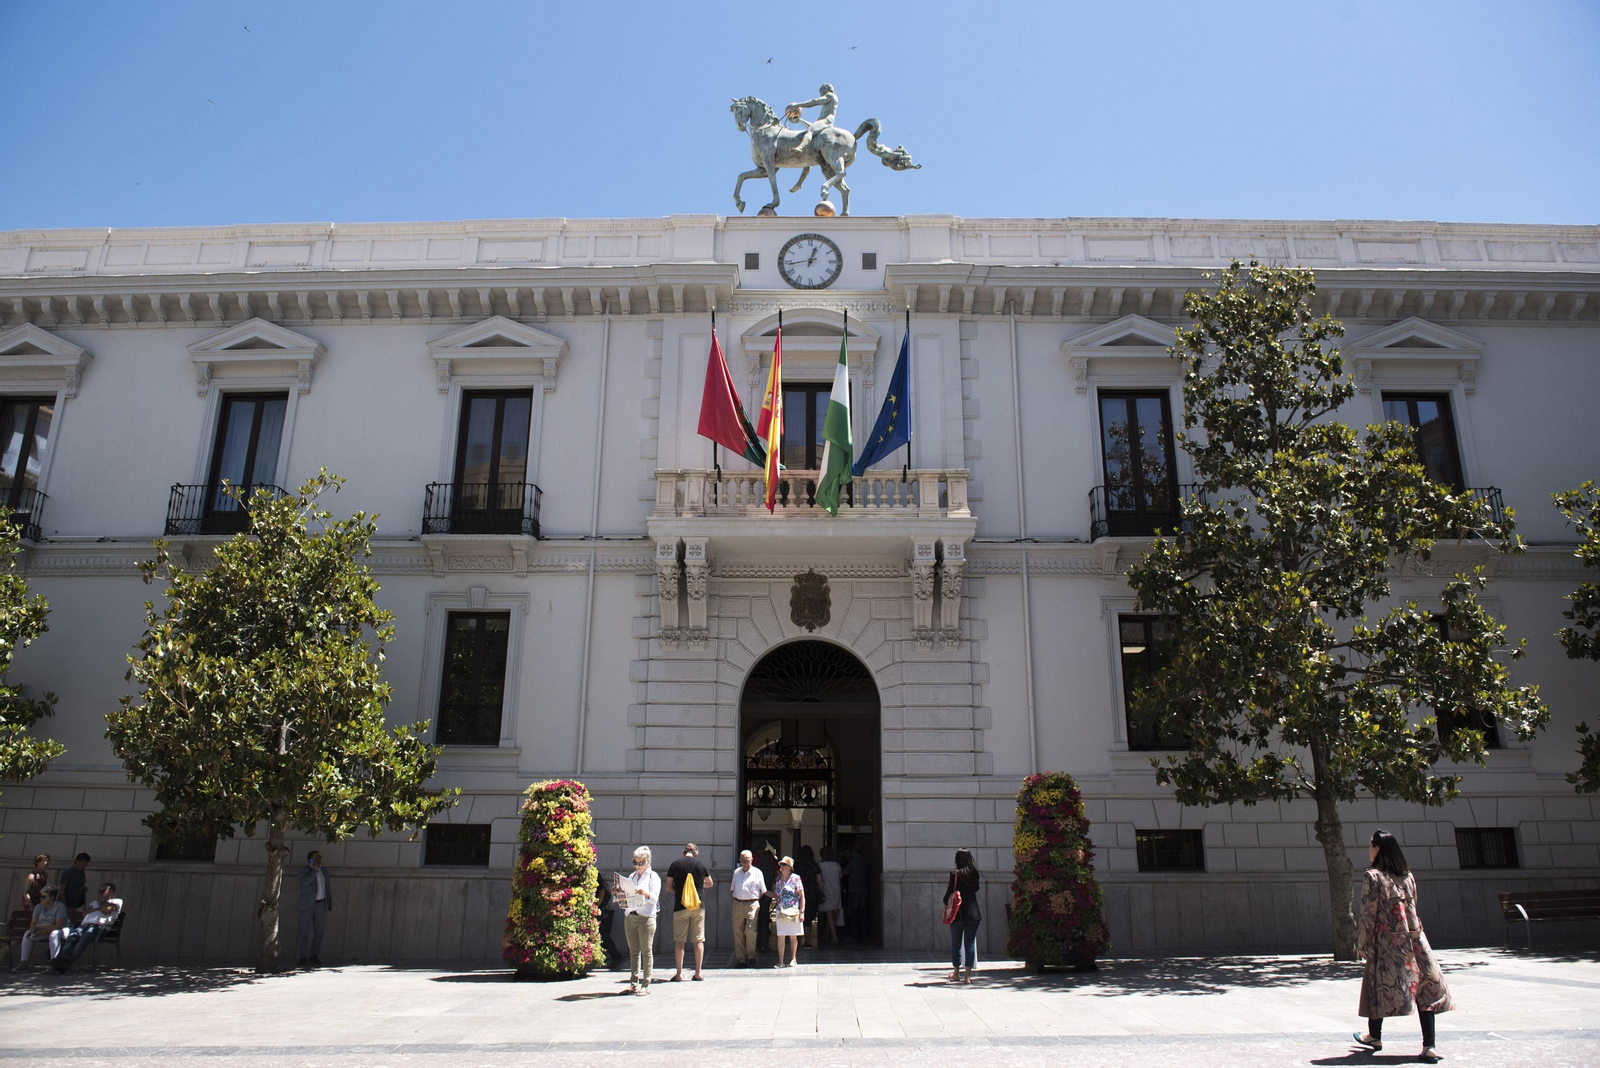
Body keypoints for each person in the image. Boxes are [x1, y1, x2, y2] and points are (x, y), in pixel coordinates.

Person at [1353, 830, 1453, 1063]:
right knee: (1424, 991)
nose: (1368, 849)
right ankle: (1429, 1046)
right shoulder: (1407, 876)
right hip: (1415, 940)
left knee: (1378, 986)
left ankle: (1375, 1036)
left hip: (1387, 944)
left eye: (1370, 845)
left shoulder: (1373, 877)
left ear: (1377, 849)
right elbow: (1413, 908)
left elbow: (1368, 914)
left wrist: (1362, 943)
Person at [665, 842, 713, 981]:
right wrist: (698, 887)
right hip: (698, 906)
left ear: (684, 852)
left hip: (680, 907)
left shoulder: (675, 864)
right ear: (696, 853)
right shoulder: (701, 864)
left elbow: (668, 887)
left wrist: (680, 890)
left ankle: (679, 974)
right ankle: (698, 973)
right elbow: (710, 883)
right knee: (698, 940)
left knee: (680, 941)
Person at [51, 882, 122, 973]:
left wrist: (101, 903)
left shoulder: (117, 901)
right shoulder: (95, 902)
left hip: (99, 927)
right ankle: (63, 960)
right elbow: (84, 913)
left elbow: (107, 909)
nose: (100, 893)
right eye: (99, 891)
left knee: (83, 940)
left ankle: (66, 963)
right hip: (84, 925)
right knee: (72, 936)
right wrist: (98, 908)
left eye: (103, 891)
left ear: (111, 892)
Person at [618, 845, 660, 994]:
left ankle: (646, 984)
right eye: (635, 863)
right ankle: (633, 983)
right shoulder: (632, 877)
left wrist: (645, 893)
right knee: (633, 951)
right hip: (631, 915)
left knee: (646, 950)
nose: (637, 866)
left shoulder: (653, 877)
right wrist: (618, 893)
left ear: (647, 862)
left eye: (640, 863)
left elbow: (655, 898)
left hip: (646, 917)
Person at [943, 848, 982, 984]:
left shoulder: (955, 874)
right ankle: (968, 977)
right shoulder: (974, 873)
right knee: (970, 943)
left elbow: (948, 894)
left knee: (956, 943)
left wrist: (946, 904)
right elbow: (976, 888)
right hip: (973, 914)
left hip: (958, 914)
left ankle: (956, 973)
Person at [12, 885, 68, 970]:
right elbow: (33, 923)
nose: (41, 898)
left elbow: (58, 925)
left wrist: (42, 932)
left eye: (44, 896)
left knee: (54, 934)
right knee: (28, 933)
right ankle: (23, 962)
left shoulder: (60, 907)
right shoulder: (39, 907)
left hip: (62, 929)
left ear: (52, 897)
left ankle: (54, 963)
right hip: (43, 929)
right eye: (40, 896)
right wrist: (32, 931)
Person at [729, 849, 766, 968]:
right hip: (737, 904)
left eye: (748, 861)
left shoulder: (757, 872)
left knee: (750, 930)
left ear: (752, 860)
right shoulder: (736, 872)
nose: (745, 863)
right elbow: (732, 888)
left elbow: (763, 891)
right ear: (740, 860)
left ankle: (751, 956)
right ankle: (741, 959)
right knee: (738, 932)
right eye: (743, 861)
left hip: (752, 904)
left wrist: (754, 900)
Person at [296, 849, 332, 969]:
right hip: (307, 905)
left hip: (320, 904)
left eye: (319, 857)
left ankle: (314, 954)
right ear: (310, 859)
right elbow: (305, 883)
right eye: (316, 857)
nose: (318, 859)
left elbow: (327, 886)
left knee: (320, 931)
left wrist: (329, 901)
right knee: (304, 932)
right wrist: (314, 870)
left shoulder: (324, 871)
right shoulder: (305, 870)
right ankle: (303, 956)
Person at [772, 855, 806, 968]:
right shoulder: (778, 879)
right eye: (781, 865)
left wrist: (802, 911)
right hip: (781, 910)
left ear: (790, 867)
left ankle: (793, 959)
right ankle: (781, 961)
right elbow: (776, 895)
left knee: (793, 935)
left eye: (784, 865)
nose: (781, 867)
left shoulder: (796, 878)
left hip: (793, 910)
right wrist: (763, 892)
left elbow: (802, 896)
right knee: (780, 935)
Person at [596, 872, 624, 970]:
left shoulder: (595, 874)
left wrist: (595, 906)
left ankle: (616, 956)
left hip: (596, 910)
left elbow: (602, 891)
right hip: (595, 909)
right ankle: (615, 956)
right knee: (601, 934)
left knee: (602, 935)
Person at [754, 842, 779, 953]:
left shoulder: (754, 857)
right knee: (764, 917)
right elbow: (777, 873)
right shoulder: (770, 858)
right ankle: (764, 944)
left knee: (754, 918)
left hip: (755, 892)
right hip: (767, 891)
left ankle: (755, 944)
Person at [796, 846, 822, 949]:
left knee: (800, 916)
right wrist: (822, 891)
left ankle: (799, 940)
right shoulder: (814, 865)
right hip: (812, 892)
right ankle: (808, 940)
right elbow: (819, 879)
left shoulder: (797, 865)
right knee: (809, 919)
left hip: (800, 892)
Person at [843, 846, 869, 942]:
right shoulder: (864, 861)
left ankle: (854, 935)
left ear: (854, 851)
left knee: (853, 912)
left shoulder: (854, 861)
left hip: (854, 890)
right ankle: (863, 934)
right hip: (863, 890)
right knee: (862, 912)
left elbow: (844, 872)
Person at [817, 846, 842, 945]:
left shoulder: (820, 865)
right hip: (836, 890)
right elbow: (841, 876)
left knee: (828, 913)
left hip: (826, 890)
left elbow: (819, 879)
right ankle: (828, 935)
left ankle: (833, 936)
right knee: (833, 913)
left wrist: (820, 890)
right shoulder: (836, 865)